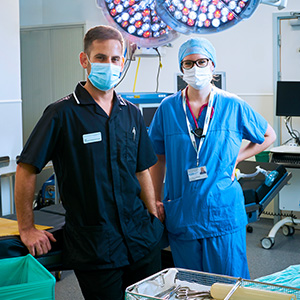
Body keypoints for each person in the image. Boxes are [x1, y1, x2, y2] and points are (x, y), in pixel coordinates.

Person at [15, 25, 164, 300]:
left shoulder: (130, 113)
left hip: (141, 240)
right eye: (100, 58)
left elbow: (142, 168)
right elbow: (26, 168)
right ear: (85, 61)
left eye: (115, 59)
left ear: (123, 62)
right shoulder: (61, 113)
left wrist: (152, 212)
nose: (109, 65)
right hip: (95, 246)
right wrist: (26, 227)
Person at [148, 37, 276, 279]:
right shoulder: (168, 108)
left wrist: (238, 157)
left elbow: (268, 135)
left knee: (228, 282)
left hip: (222, 213)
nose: (195, 68)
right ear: (182, 68)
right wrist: (156, 199)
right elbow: (158, 157)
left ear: (212, 66)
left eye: (201, 61)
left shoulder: (232, 104)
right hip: (183, 210)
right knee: (191, 284)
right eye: (188, 63)